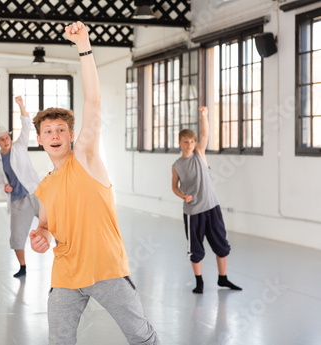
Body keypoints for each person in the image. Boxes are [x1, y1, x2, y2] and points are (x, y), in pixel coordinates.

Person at [29, 21, 159, 345]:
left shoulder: (85, 157)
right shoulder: (43, 187)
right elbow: (44, 225)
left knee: (141, 336)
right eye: (48, 132)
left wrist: (84, 47)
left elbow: (93, 101)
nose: (55, 135)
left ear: (72, 136)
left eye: (61, 130)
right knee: (59, 340)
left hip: (107, 270)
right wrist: (40, 236)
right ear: (39, 140)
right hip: (66, 274)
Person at [171, 106, 242, 294]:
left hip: (211, 207)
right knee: (195, 249)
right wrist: (182, 196)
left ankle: (223, 278)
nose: (190, 145)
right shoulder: (177, 165)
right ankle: (199, 282)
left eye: (192, 141)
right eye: (186, 142)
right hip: (193, 212)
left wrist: (204, 115)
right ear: (179, 142)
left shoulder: (200, 153)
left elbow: (205, 133)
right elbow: (174, 187)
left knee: (221, 244)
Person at [0, 96, 40, 278]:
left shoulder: (20, 146)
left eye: (7, 138)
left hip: (36, 195)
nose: (6, 141)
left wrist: (21, 105)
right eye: (1, 140)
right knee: (17, 237)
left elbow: (27, 125)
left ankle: (70, 258)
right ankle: (23, 267)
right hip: (18, 202)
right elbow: (0, 181)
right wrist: (4, 187)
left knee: (56, 225)